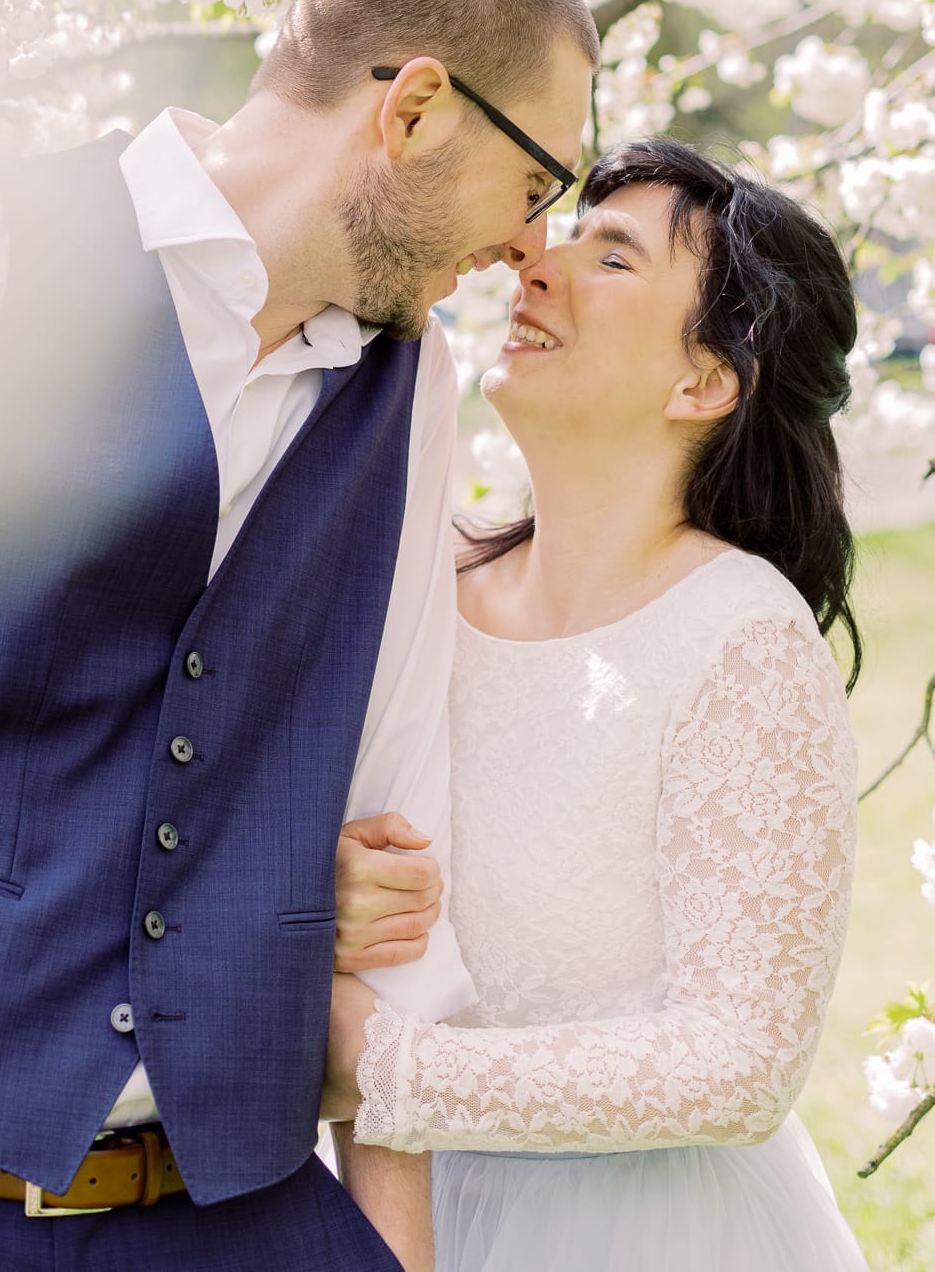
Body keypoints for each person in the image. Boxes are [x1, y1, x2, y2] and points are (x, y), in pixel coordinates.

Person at [0, 0, 596, 1271]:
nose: (528, 248)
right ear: (416, 110)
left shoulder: (411, 389)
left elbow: (393, 844)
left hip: (226, 1212)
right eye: (535, 184)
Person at [325, 138, 870, 1271]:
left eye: (611, 258)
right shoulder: (414, 578)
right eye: (564, 233)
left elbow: (741, 1061)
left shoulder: (738, 642)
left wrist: (390, 1068)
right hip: (392, 1215)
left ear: (705, 382)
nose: (535, 263)